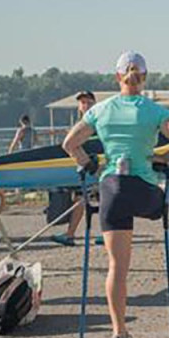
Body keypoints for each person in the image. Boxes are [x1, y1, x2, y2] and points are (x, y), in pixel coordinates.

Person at [63, 51, 169, 338]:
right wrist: (162, 156)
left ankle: (119, 333)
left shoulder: (100, 109)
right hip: (145, 191)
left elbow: (69, 143)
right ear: (144, 78)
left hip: (112, 189)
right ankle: (156, 208)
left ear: (117, 77)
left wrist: (88, 163)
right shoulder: (154, 110)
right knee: (157, 207)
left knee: (117, 267)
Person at [51, 91, 97, 246]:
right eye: (82, 103)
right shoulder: (79, 123)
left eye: (89, 102)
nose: (85, 105)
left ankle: (107, 234)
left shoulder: (98, 121)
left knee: (104, 198)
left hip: (99, 165)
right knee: (79, 199)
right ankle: (70, 235)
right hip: (85, 167)